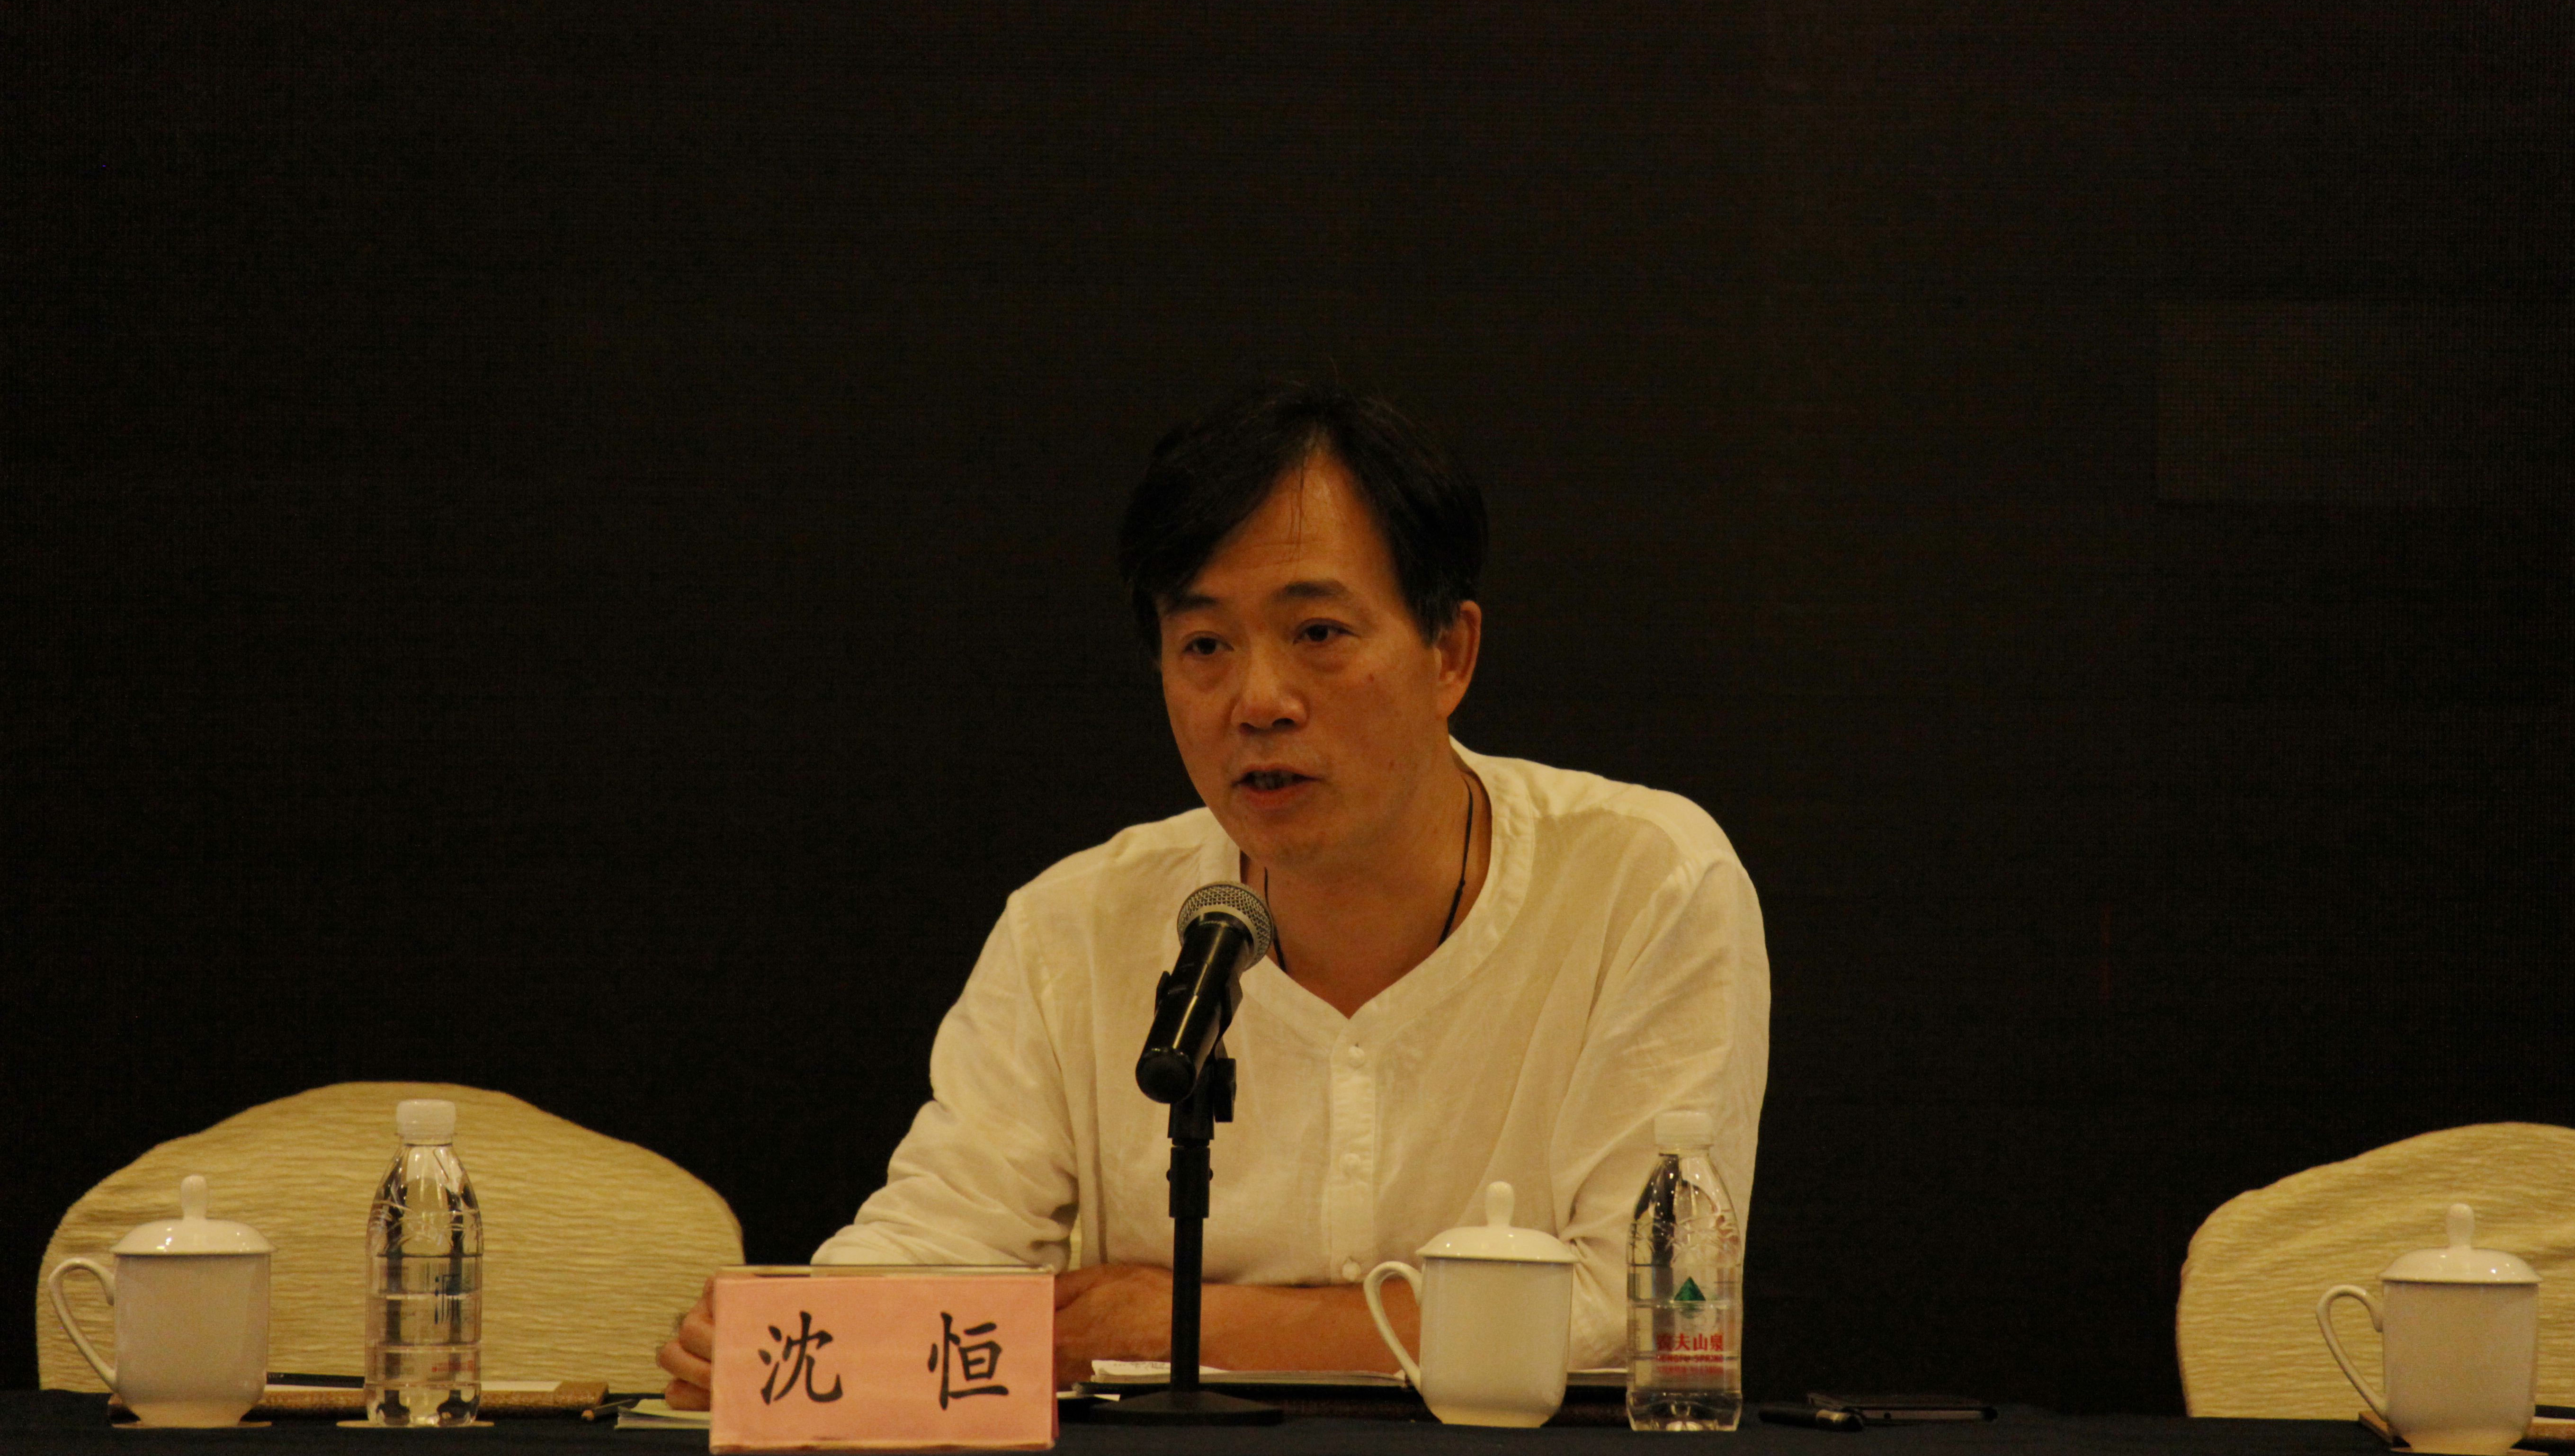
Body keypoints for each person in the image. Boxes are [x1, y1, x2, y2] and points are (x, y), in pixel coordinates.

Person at [658, 381, 1768, 1401]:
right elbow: (940, 1246)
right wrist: (801, 1334)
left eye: (1318, 632)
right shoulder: (1074, 928)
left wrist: (1182, 1326)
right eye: (1203, 646)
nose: (1259, 699)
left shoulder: (1645, 884)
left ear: (1450, 655)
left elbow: (1647, 1319)